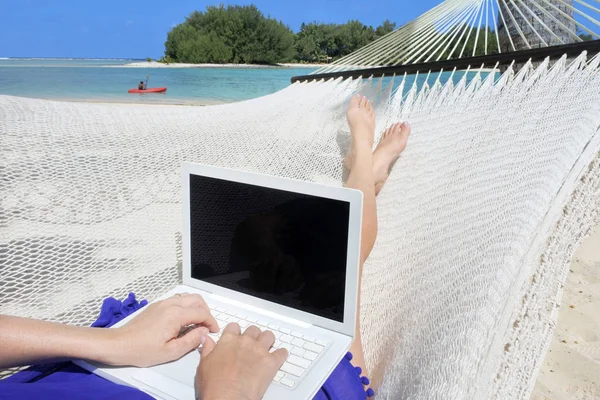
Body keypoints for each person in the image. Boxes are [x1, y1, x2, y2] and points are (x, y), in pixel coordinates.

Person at [0, 95, 410, 399]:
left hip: (100, 369)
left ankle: (361, 179)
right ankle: (362, 174)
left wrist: (109, 344)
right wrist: (228, 389)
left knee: (270, 247)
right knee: (341, 292)